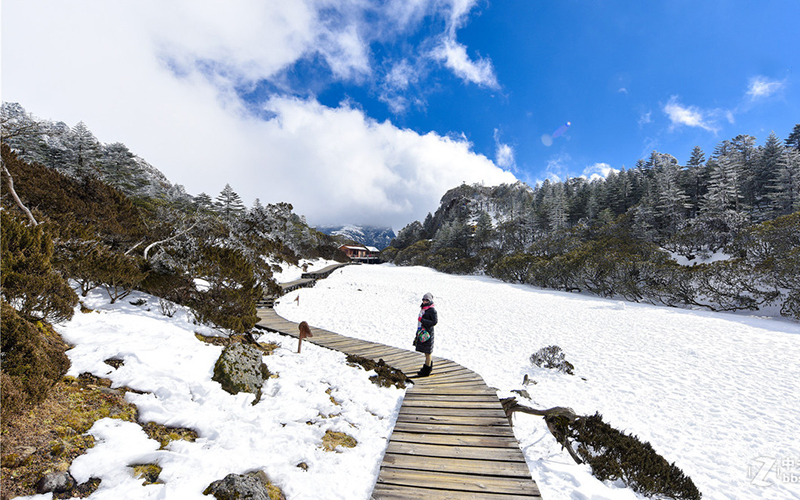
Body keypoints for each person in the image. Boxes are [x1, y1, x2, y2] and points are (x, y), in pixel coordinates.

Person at [413, 292, 438, 377]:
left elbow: (434, 322)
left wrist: (422, 320)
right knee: (425, 351)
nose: (424, 301)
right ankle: (427, 367)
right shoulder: (424, 309)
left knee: (428, 352)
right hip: (423, 331)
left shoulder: (432, 310)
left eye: (426, 300)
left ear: (430, 301)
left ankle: (426, 370)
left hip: (428, 333)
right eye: (423, 299)